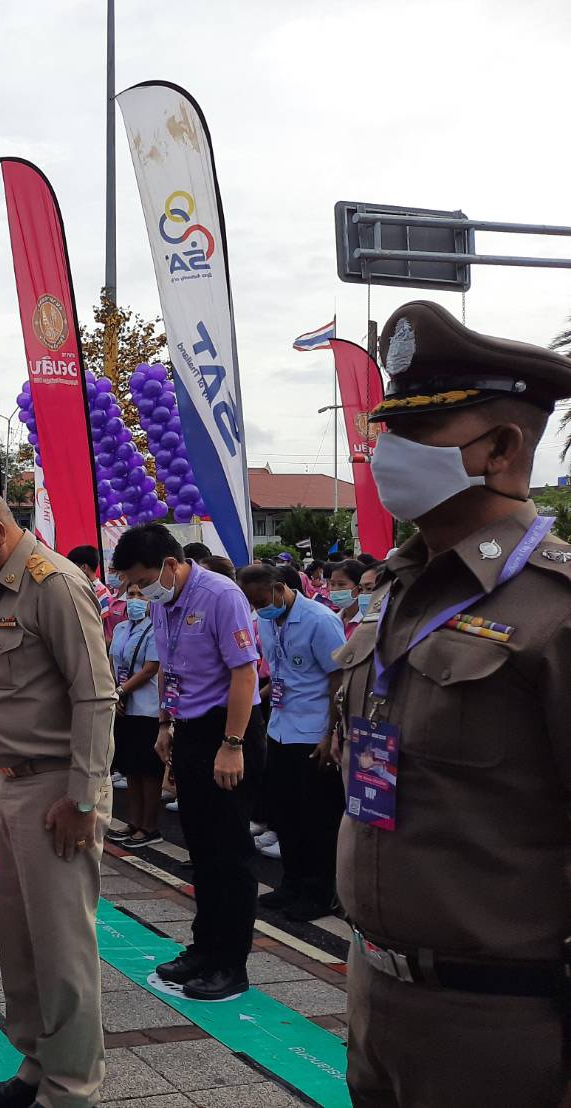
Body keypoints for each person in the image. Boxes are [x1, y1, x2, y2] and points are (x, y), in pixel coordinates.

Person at [328, 300, 571, 1106]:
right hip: (375, 990)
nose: (384, 450)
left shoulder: (556, 609)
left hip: (504, 1024)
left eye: (416, 430)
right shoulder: (397, 590)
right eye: (385, 427)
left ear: (500, 449)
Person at [0, 479, 115, 1108]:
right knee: (21, 943)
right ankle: (38, 1065)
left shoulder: (54, 584)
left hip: (57, 790)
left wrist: (85, 799)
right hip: (12, 785)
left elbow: (95, 694)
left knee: (63, 951)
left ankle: (71, 1089)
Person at [112, 521, 264, 1003]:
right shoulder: (163, 601)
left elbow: (244, 674)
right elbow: (171, 668)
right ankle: (204, 948)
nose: (136, 592)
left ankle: (231, 964)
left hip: (230, 728)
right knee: (201, 848)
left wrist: (233, 744)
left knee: (230, 851)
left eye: (141, 580)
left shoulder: (221, 595)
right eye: (130, 585)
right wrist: (163, 724)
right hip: (188, 729)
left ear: (172, 565)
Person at [237, 564, 345, 922]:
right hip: (281, 727)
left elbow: (338, 679)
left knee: (318, 817)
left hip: (314, 732)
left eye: (260, 599)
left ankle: (320, 892)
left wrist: (332, 733)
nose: (257, 608)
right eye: (251, 603)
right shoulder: (267, 620)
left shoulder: (319, 620)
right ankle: (292, 883)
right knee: (286, 813)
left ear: (280, 588)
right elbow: (275, 672)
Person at [109, 583, 163, 847]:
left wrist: (121, 690)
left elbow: (151, 668)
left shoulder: (156, 630)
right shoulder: (120, 628)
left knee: (148, 770)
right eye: (131, 595)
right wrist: (114, 692)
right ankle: (133, 821)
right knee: (130, 767)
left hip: (147, 707)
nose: (135, 600)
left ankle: (150, 826)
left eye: (141, 595)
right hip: (123, 706)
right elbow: (112, 662)